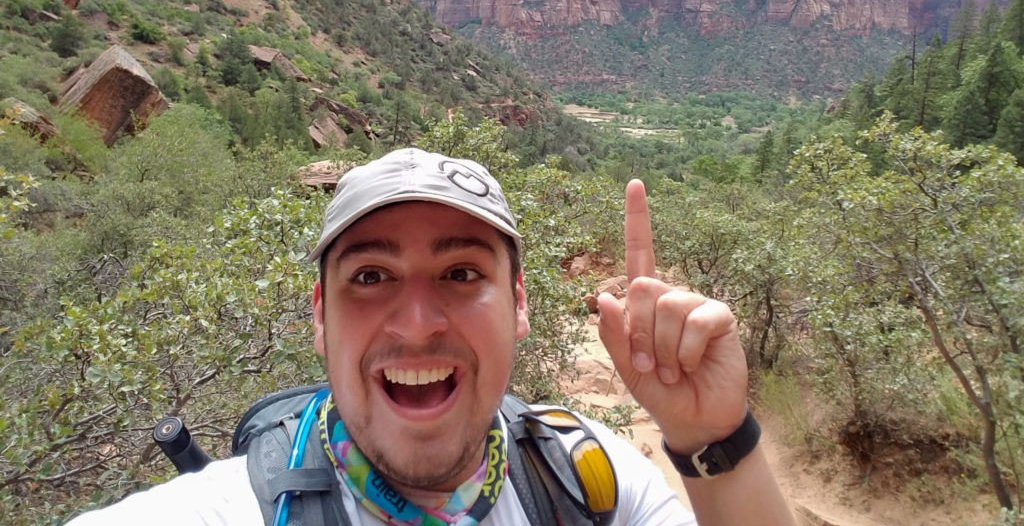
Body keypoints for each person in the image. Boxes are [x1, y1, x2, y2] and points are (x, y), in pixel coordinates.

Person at [66, 147, 796, 525]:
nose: (417, 325)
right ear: (320, 315)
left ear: (518, 306)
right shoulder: (229, 510)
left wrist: (716, 441)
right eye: (373, 277)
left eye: (459, 274)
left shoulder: (589, 481)